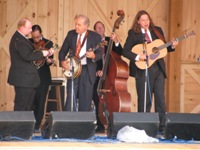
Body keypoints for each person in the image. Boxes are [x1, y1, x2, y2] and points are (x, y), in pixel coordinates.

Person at [122, 10, 179, 138]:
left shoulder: (157, 30)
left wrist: (172, 46)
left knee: (160, 99)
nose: (146, 22)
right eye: (143, 20)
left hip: (158, 68)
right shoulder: (133, 34)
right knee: (144, 100)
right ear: (138, 21)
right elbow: (125, 51)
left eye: (147, 19)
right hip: (143, 70)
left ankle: (162, 128)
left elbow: (163, 47)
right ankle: (144, 127)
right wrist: (138, 57)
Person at [8, 18, 54, 111]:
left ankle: (27, 125)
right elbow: (27, 56)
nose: (30, 30)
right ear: (22, 27)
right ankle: (19, 125)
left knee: (28, 106)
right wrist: (43, 53)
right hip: (23, 79)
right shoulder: (19, 40)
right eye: (29, 28)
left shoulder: (21, 38)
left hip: (26, 79)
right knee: (22, 105)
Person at [59, 14, 102, 111]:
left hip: (87, 69)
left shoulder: (95, 36)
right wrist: (62, 62)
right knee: (71, 96)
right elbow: (63, 51)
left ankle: (84, 123)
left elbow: (100, 53)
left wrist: (93, 56)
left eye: (79, 25)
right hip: (73, 68)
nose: (76, 27)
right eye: (76, 24)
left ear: (86, 26)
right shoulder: (71, 34)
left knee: (85, 98)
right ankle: (68, 122)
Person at [92, 21, 123, 133]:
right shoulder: (93, 42)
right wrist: (96, 71)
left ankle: (114, 123)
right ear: (94, 31)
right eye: (97, 28)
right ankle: (100, 124)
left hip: (111, 76)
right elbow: (91, 60)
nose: (100, 29)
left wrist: (116, 42)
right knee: (96, 99)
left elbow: (120, 53)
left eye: (102, 27)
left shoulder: (110, 41)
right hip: (98, 76)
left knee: (113, 100)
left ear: (104, 29)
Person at [29, 24, 54, 131]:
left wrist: (49, 60)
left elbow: (49, 61)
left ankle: (37, 125)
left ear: (41, 34)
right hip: (30, 76)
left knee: (40, 101)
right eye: (34, 37)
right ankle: (29, 124)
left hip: (43, 76)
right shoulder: (28, 43)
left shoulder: (49, 43)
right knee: (30, 101)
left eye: (38, 37)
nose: (36, 39)